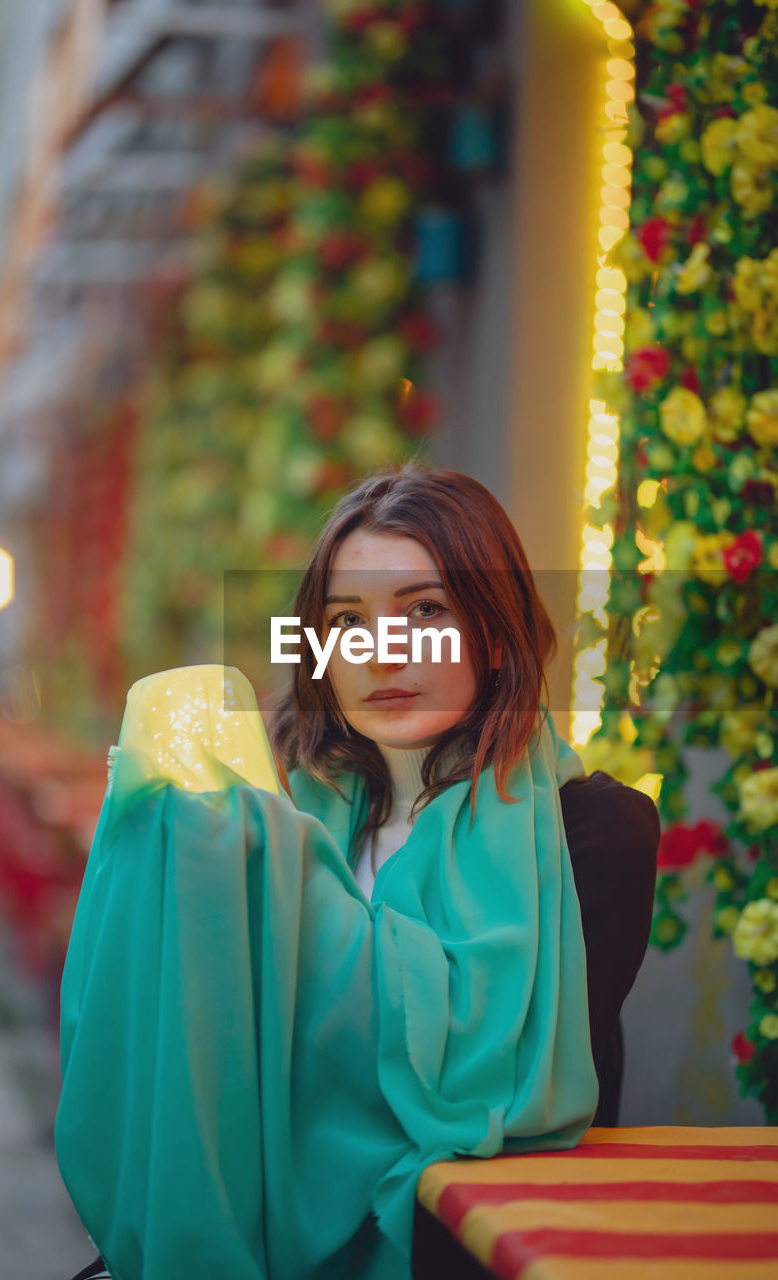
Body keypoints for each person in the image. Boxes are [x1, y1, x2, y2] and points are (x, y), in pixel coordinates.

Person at [57, 464, 658, 1280]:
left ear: (492, 629)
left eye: (425, 609)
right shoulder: (275, 815)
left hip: (456, 1244)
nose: (382, 650)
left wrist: (280, 870)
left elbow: (505, 1092)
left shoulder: (594, 829)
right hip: (260, 1209)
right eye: (346, 620)